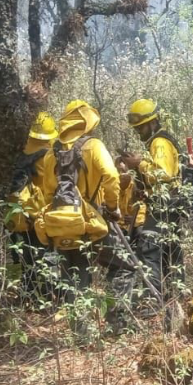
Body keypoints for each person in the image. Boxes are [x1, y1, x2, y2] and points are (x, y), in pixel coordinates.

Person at [34, 100, 121, 299]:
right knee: (125, 266)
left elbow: (47, 195)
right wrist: (112, 207)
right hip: (90, 221)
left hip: (60, 225)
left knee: (72, 278)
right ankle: (116, 320)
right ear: (87, 122)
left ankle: (77, 327)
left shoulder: (50, 154)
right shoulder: (93, 146)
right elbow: (111, 176)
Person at [119, 98, 184, 296]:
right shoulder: (158, 142)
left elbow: (163, 173)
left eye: (141, 127)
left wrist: (138, 163)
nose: (139, 132)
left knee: (150, 250)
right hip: (169, 204)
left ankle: (152, 302)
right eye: (136, 129)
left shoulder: (159, 142)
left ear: (153, 122)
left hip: (164, 204)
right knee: (170, 250)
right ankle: (175, 294)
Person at [7, 112, 57, 295]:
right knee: (43, 257)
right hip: (37, 215)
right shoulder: (49, 155)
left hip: (13, 216)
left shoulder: (15, 150)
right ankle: (47, 296)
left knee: (18, 258)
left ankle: (23, 294)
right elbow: (52, 186)